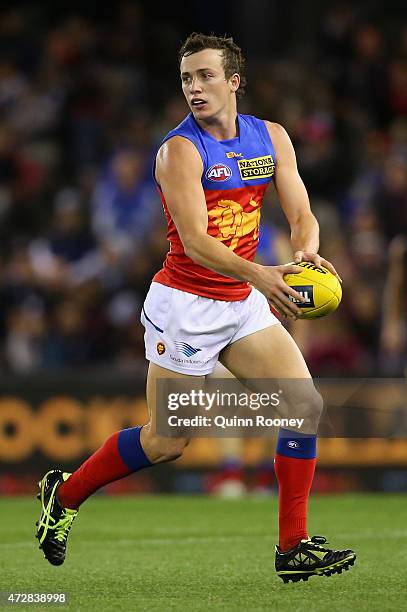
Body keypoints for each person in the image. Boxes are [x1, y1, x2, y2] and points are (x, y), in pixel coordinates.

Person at [35, 32, 356, 582]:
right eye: (187, 78)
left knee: (303, 406)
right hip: (186, 306)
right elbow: (197, 239)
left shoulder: (270, 137)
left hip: (240, 300)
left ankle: (293, 546)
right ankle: (62, 497)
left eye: (206, 76)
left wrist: (304, 251)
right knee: (168, 443)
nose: (194, 88)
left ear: (234, 81)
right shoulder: (178, 151)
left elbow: (302, 210)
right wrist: (265, 277)